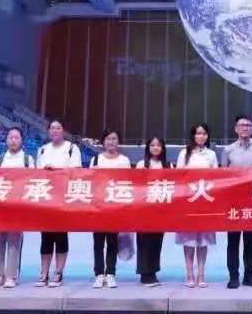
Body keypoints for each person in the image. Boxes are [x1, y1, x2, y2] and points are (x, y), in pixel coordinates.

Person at [220, 114, 252, 289]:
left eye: (248, 125)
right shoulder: (228, 150)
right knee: (232, 240)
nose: (245, 128)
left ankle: (249, 274)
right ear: (236, 129)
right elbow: (222, 176)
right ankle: (233, 275)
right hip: (233, 202)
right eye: (242, 125)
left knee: (250, 240)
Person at [35, 120, 81, 288]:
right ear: (48, 131)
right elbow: (36, 173)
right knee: (45, 236)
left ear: (63, 130)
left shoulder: (72, 148)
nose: (55, 130)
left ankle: (58, 272)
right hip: (46, 197)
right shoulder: (42, 150)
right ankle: (44, 272)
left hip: (63, 198)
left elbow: (76, 171)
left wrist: (56, 170)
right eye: (52, 128)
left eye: (58, 128)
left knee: (61, 236)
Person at [0, 127, 33, 289]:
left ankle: (11, 276)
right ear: (6, 140)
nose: (13, 140)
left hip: (17, 206)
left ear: (22, 140)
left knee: (14, 241)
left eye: (16, 138)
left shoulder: (28, 160)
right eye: (10, 137)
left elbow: (32, 181)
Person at [176, 122, 218, 288]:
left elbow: (216, 177)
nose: (201, 136)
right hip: (188, 202)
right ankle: (189, 275)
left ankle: (201, 275)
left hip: (205, 202)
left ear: (208, 136)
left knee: (203, 241)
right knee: (189, 241)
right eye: (198, 133)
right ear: (193, 135)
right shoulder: (184, 153)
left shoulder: (211, 154)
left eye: (204, 133)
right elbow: (178, 177)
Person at [91, 129, 131, 289]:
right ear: (103, 141)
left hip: (116, 206)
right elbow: (90, 182)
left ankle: (111, 273)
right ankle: (99, 274)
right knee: (98, 242)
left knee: (112, 242)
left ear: (118, 141)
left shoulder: (124, 160)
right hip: (99, 206)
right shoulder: (96, 159)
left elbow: (128, 183)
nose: (111, 142)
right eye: (108, 138)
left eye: (114, 139)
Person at [136, 136, 170, 287]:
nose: (155, 148)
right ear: (148, 147)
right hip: (143, 208)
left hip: (160, 209)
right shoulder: (141, 164)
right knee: (144, 241)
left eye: (158, 145)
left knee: (157, 241)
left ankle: (153, 271)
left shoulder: (168, 165)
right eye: (152, 145)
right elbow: (136, 186)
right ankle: (144, 273)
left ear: (162, 148)